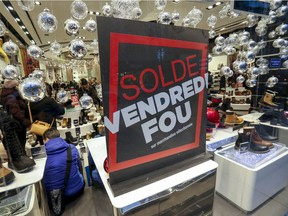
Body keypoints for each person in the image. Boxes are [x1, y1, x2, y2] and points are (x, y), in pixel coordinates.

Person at [43, 128, 85, 211]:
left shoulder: (45, 158)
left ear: (47, 139)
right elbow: (80, 168)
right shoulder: (72, 148)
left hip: (62, 198)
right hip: (79, 189)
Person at [0, 79, 31, 149]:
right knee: (20, 143)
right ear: (14, 86)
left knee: (13, 144)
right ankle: (22, 158)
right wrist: (24, 120)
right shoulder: (12, 97)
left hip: (7, 125)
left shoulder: (4, 94)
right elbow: (15, 112)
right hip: (16, 124)